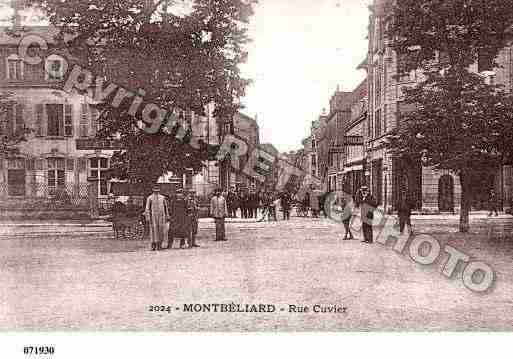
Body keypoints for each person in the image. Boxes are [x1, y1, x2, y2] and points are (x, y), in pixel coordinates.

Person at [144, 184, 170, 251]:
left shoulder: (162, 197)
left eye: (157, 190)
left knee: (161, 230)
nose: (156, 191)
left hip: (161, 215)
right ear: (153, 190)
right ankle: (153, 244)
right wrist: (148, 217)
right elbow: (147, 208)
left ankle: (160, 244)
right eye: (155, 190)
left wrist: (167, 215)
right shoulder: (150, 198)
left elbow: (165, 207)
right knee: (153, 230)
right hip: (153, 216)